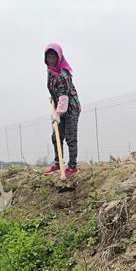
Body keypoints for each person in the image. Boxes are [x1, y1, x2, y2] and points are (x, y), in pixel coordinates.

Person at [42, 43, 81, 177]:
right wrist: (54, 98)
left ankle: (72, 166)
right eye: (49, 57)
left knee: (70, 138)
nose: (51, 60)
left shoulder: (64, 74)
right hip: (59, 106)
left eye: (54, 57)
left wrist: (58, 114)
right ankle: (58, 163)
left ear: (59, 58)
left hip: (70, 108)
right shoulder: (50, 71)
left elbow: (64, 97)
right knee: (56, 136)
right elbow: (55, 91)